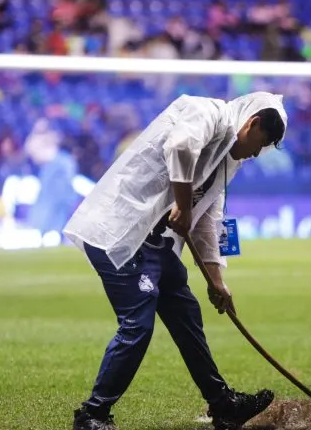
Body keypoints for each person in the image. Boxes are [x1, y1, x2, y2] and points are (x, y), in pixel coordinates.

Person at [63, 92, 287, 430]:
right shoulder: (207, 112)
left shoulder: (227, 163)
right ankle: (92, 414)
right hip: (121, 233)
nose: (257, 153)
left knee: (186, 314)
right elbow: (181, 147)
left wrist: (216, 281)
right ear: (252, 123)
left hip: (154, 244)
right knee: (138, 322)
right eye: (261, 143)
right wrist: (183, 204)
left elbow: (209, 220)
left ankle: (222, 404)